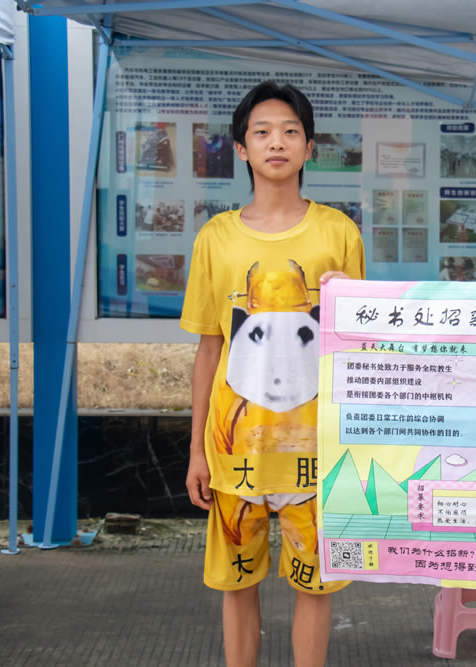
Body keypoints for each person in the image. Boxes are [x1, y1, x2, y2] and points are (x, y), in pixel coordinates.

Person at [181, 81, 364, 667]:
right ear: (241, 148)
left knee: (316, 584)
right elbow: (209, 350)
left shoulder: (339, 233)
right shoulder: (216, 237)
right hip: (236, 449)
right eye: (261, 132)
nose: (276, 142)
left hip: (318, 448)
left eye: (290, 131)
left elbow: (360, 345)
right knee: (237, 582)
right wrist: (197, 451)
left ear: (310, 146)